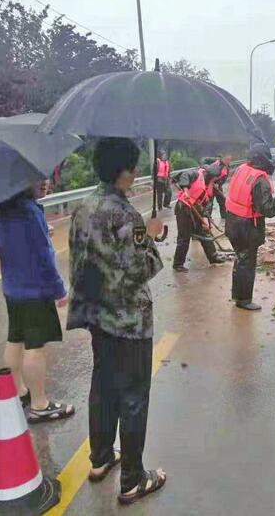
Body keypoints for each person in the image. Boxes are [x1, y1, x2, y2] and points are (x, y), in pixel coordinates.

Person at [67, 138, 166, 505]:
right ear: (121, 171)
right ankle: (133, 480)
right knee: (134, 396)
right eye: (132, 167)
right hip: (129, 322)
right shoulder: (126, 215)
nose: (136, 173)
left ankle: (101, 458)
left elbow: (79, 264)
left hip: (97, 316)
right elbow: (144, 267)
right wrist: (152, 237)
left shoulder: (83, 207)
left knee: (103, 387)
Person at [0, 180, 75, 423]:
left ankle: (19, 391)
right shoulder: (29, 211)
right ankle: (40, 404)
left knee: (15, 338)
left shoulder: (2, 208)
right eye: (37, 179)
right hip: (35, 288)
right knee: (35, 345)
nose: (44, 183)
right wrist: (59, 289)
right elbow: (44, 254)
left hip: (12, 287)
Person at [225, 144, 275, 311]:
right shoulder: (260, 179)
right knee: (247, 263)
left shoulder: (242, 169)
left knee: (241, 259)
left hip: (232, 222)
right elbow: (267, 208)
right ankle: (244, 300)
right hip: (246, 227)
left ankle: (238, 296)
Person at [172, 163, 227, 272]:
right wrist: (186, 190)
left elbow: (207, 203)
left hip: (196, 209)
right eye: (214, 179)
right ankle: (178, 264)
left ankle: (213, 257)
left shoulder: (209, 185)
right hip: (183, 207)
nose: (214, 182)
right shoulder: (196, 174)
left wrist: (205, 217)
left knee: (204, 232)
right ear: (210, 176)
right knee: (184, 237)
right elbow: (184, 175)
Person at [211, 155, 232, 219]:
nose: (228, 161)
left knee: (222, 201)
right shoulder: (216, 165)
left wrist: (218, 184)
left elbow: (224, 179)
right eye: (226, 159)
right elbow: (210, 174)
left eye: (229, 160)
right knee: (210, 202)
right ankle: (208, 217)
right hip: (210, 186)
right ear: (222, 159)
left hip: (218, 187)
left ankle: (224, 216)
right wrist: (213, 183)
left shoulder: (227, 168)